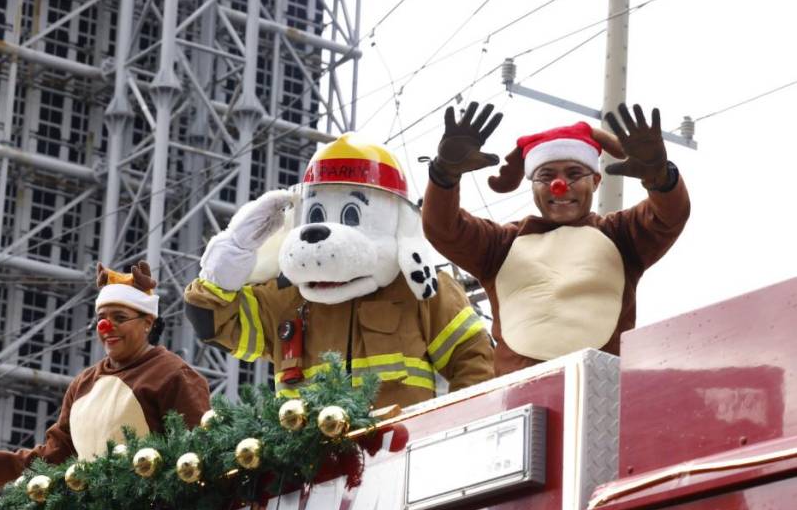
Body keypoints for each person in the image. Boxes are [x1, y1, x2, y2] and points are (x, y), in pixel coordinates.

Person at [184, 135, 494, 409]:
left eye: (351, 214)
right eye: (317, 212)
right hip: (306, 466)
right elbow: (213, 321)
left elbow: (474, 362)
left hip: (396, 457)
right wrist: (234, 249)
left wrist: (452, 429)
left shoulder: (422, 291)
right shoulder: (282, 299)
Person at [422, 102, 690, 375]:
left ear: (596, 181)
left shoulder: (621, 236)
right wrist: (444, 175)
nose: (559, 186)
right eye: (546, 176)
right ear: (533, 185)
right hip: (518, 401)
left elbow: (669, 215)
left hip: (602, 387)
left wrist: (660, 177)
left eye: (574, 174)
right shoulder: (500, 246)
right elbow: (443, 228)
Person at [0, 261, 210, 489]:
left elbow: (198, 453)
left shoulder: (172, 374)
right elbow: (56, 453)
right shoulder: (83, 383)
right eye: (101, 318)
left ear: (148, 322)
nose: (107, 326)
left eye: (120, 317)